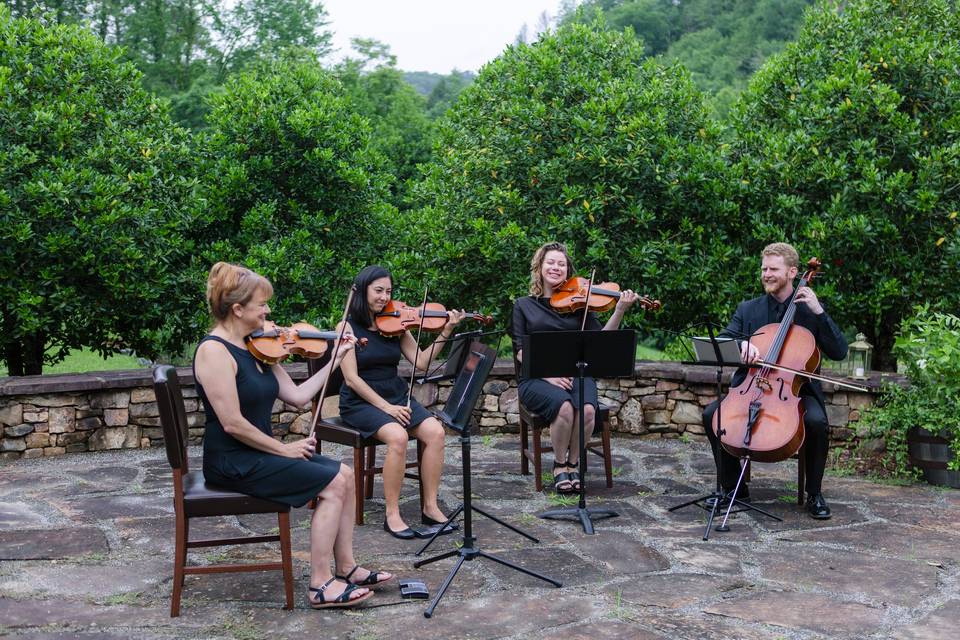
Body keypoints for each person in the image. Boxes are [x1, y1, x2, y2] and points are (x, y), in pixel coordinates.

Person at [193, 262, 392, 610]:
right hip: (233, 461)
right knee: (332, 484)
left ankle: (345, 567)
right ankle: (320, 584)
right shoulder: (214, 352)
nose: (269, 311)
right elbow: (232, 424)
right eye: (262, 304)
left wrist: (336, 357)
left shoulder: (257, 346)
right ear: (238, 309)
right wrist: (284, 450)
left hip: (257, 454)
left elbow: (299, 396)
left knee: (345, 475)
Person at [701, 242, 847, 519]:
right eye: (764, 269)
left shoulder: (811, 311)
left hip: (795, 392)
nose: (766, 274)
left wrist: (820, 312)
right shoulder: (749, 309)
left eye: (773, 269)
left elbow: (839, 351)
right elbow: (721, 340)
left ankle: (814, 493)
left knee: (817, 422)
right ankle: (734, 488)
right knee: (713, 415)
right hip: (751, 387)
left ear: (793, 272)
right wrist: (740, 346)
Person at [337, 265, 464, 540]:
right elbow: (351, 380)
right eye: (378, 291)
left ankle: (430, 507)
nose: (384, 297)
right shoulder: (346, 327)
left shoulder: (395, 324)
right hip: (360, 401)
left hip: (394, 392)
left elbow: (421, 362)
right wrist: (387, 408)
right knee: (397, 437)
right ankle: (392, 514)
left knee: (436, 432)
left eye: (389, 291)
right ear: (362, 291)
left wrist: (447, 330)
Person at [511, 242, 639, 493]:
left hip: (576, 373)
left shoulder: (581, 305)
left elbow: (602, 340)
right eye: (550, 262)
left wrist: (620, 310)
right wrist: (548, 375)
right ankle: (559, 466)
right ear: (539, 267)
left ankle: (573, 464)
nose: (555, 268)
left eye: (561, 263)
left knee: (588, 411)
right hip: (538, 377)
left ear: (567, 270)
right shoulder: (523, 305)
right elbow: (519, 351)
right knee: (565, 407)